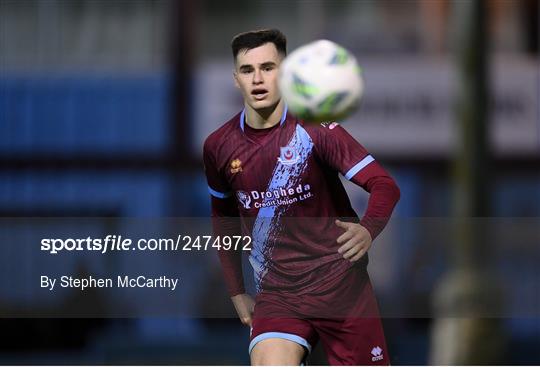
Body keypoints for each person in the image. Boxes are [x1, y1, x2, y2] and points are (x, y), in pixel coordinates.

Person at [203, 29, 400, 366]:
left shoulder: (316, 129)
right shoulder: (219, 146)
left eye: (268, 67)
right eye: (248, 70)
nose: (258, 79)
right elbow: (224, 221)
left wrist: (368, 229)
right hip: (279, 295)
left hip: (341, 289)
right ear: (237, 79)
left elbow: (384, 184)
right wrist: (237, 292)